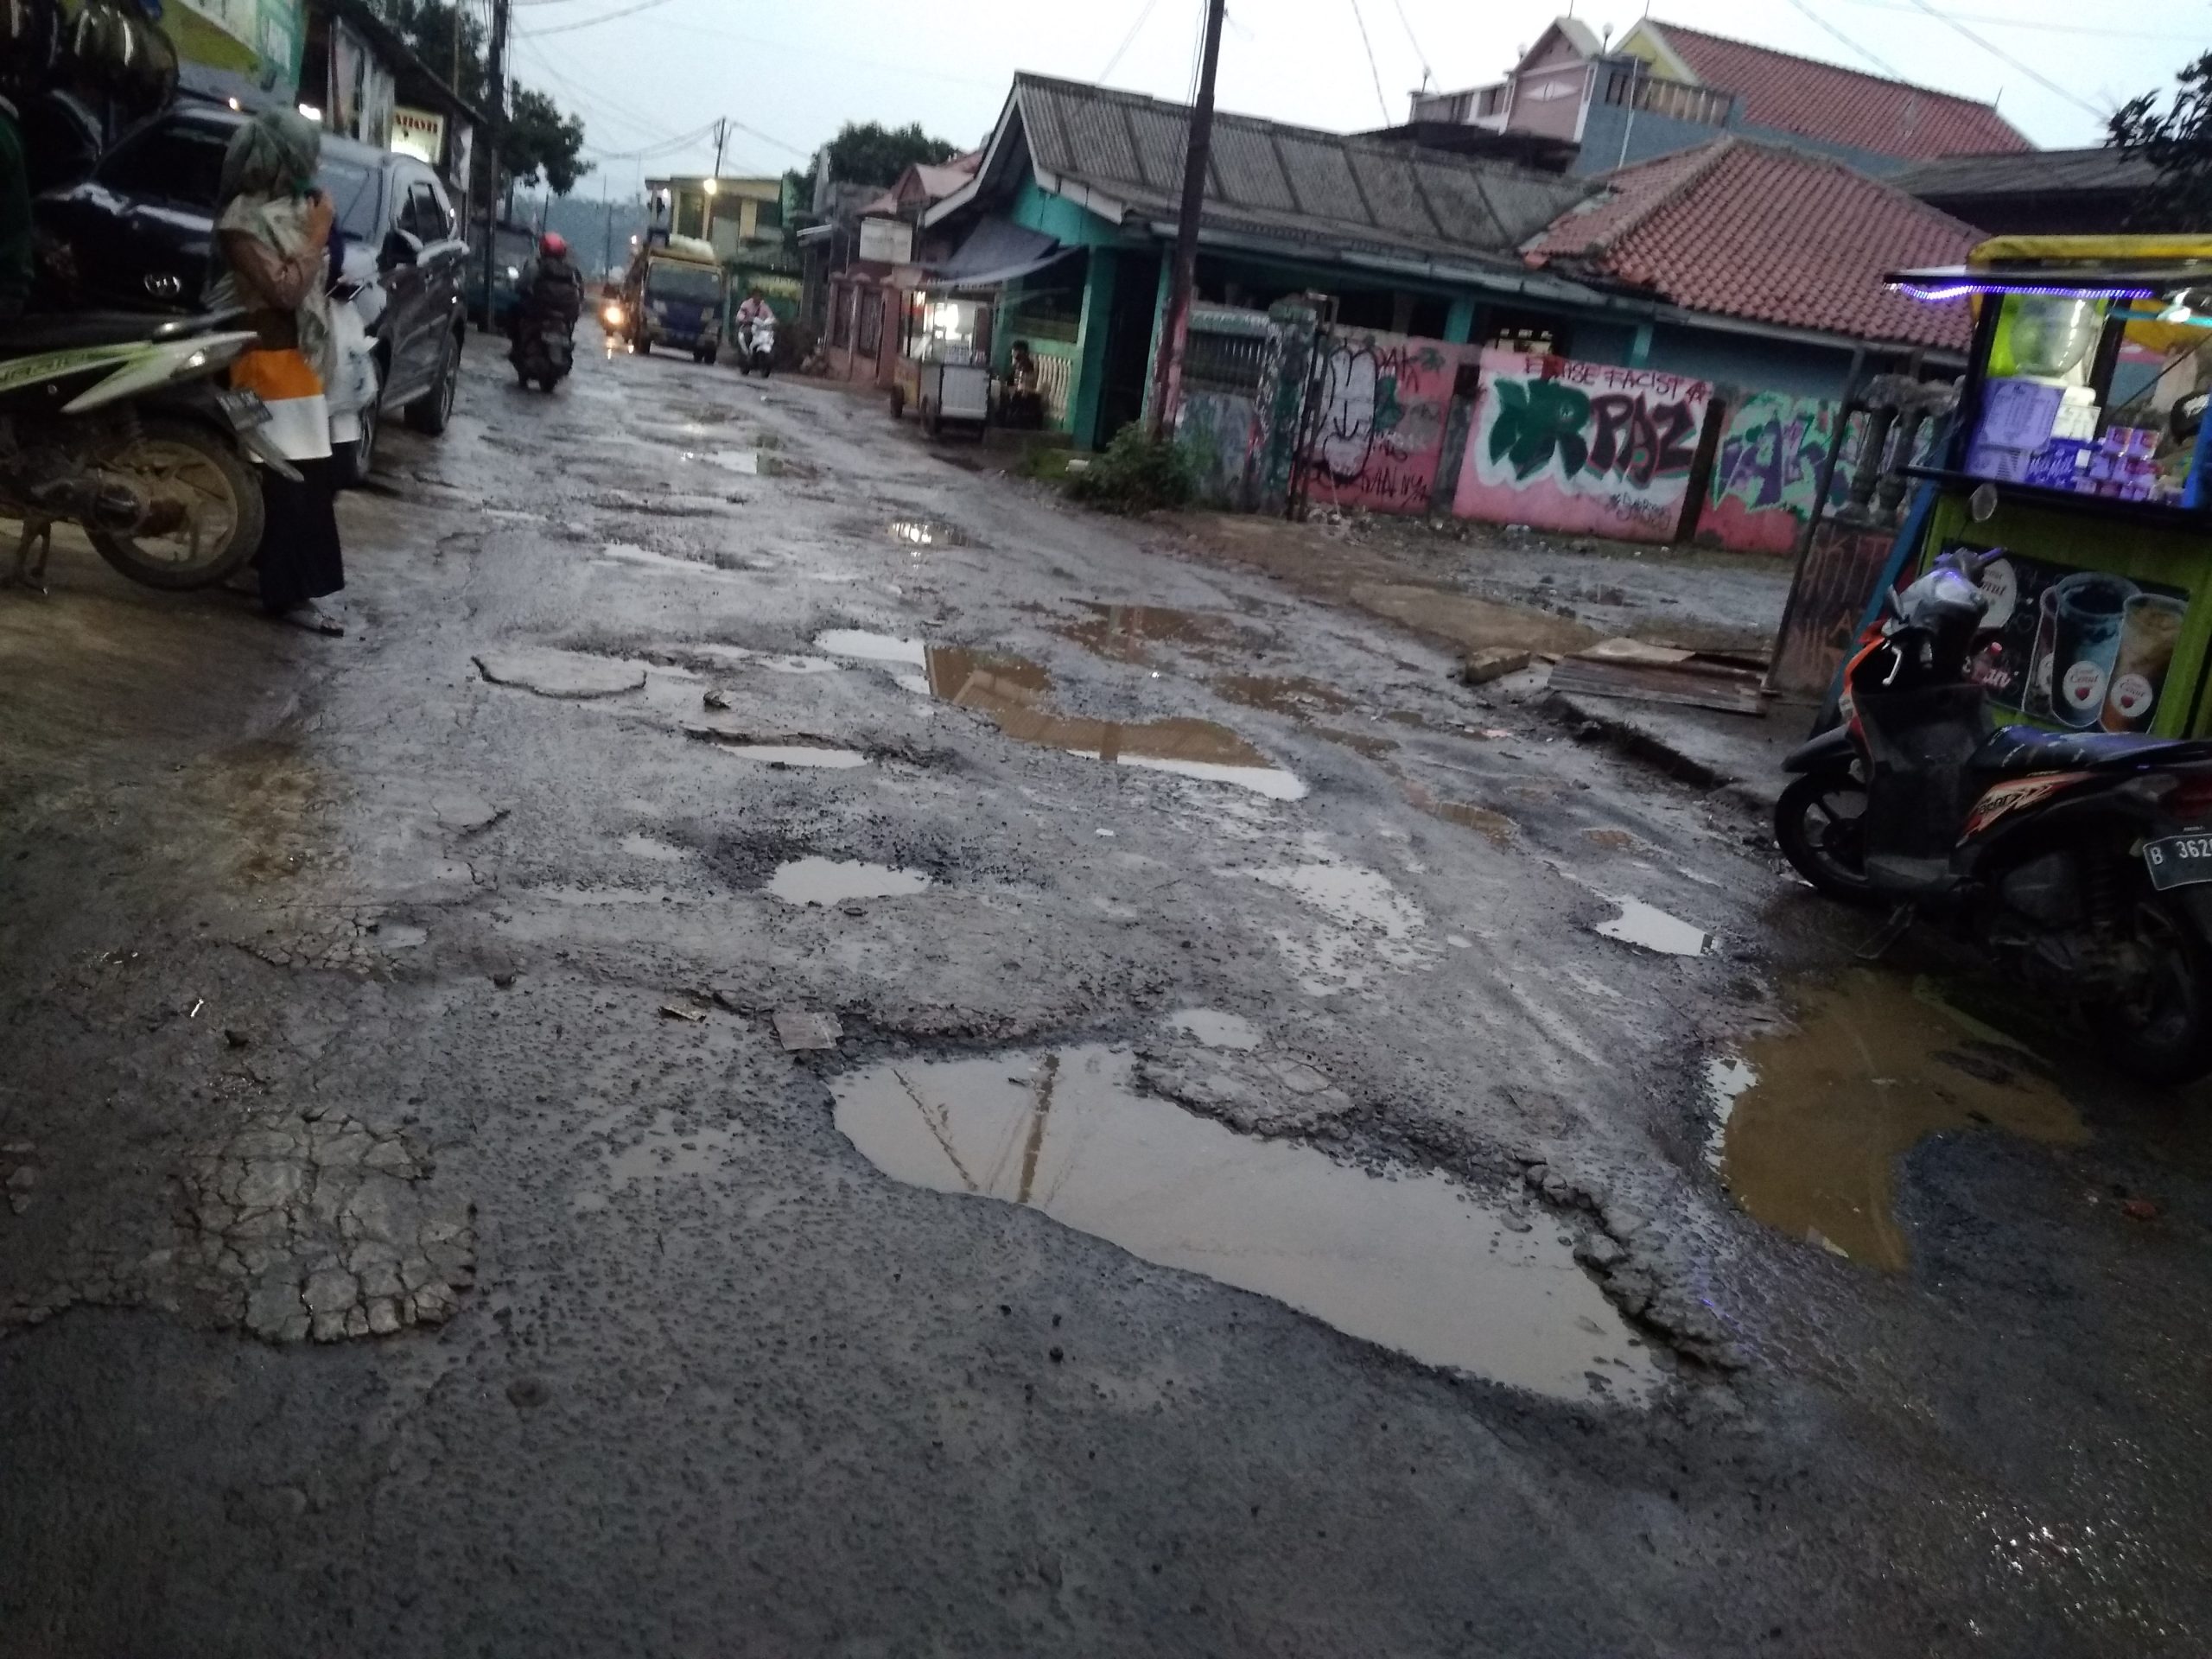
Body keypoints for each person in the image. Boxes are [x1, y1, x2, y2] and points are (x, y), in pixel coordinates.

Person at [207, 109, 346, 636]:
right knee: (293, 484)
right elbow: (285, 291)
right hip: (260, 362)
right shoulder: (243, 221)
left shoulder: (284, 210)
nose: (313, 165)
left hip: (291, 364)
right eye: (305, 155)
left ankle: (261, 573)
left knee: (302, 480)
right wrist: (318, 235)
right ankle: (285, 595)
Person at [510, 230, 582, 356]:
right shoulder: (571, 270)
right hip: (564, 316)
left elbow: (521, 284)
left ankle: (516, 349)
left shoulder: (535, 266)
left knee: (513, 310)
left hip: (541, 312)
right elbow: (580, 292)